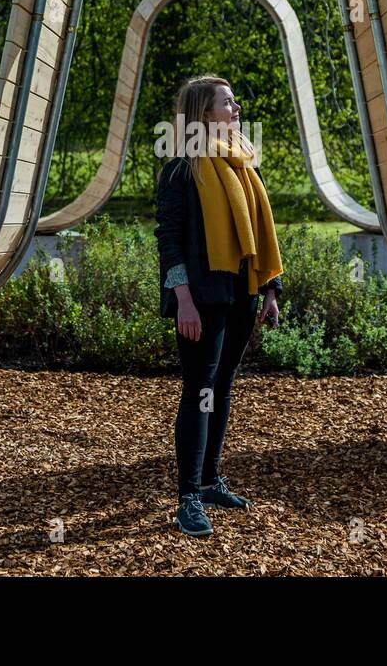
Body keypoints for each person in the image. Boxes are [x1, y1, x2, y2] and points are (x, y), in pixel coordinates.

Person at [154, 74, 284, 538]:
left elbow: (261, 231)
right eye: (227, 104)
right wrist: (182, 300)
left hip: (242, 294)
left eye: (234, 103)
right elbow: (169, 241)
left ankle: (210, 481)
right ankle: (187, 496)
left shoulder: (244, 160)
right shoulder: (181, 169)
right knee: (199, 390)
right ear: (202, 114)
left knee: (221, 388)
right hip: (202, 298)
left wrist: (270, 290)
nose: (236, 110)